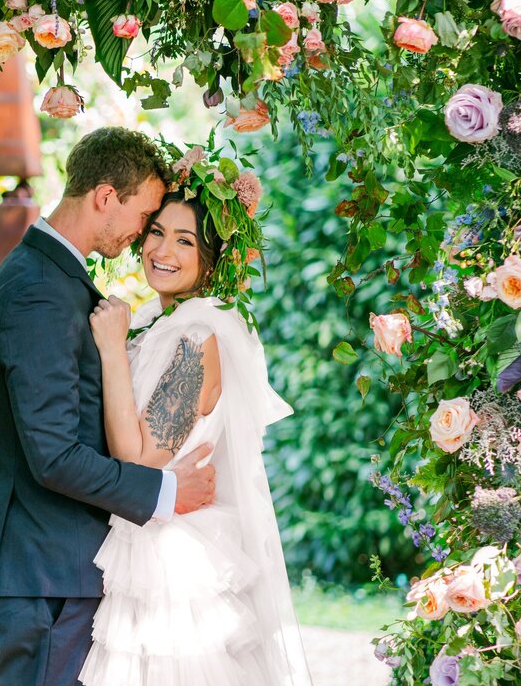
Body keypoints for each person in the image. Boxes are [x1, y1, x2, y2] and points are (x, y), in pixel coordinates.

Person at [0, 127, 218, 686]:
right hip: (44, 570)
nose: (143, 236)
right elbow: (52, 454)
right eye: (145, 217)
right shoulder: (40, 291)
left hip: (54, 564)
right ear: (105, 196)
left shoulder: (52, 278)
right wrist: (166, 492)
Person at [78, 152, 314, 686]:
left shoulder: (200, 335)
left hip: (175, 561)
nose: (162, 251)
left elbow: (139, 459)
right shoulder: (154, 323)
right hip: (144, 540)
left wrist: (112, 352)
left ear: (212, 260)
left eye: (185, 241)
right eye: (157, 232)